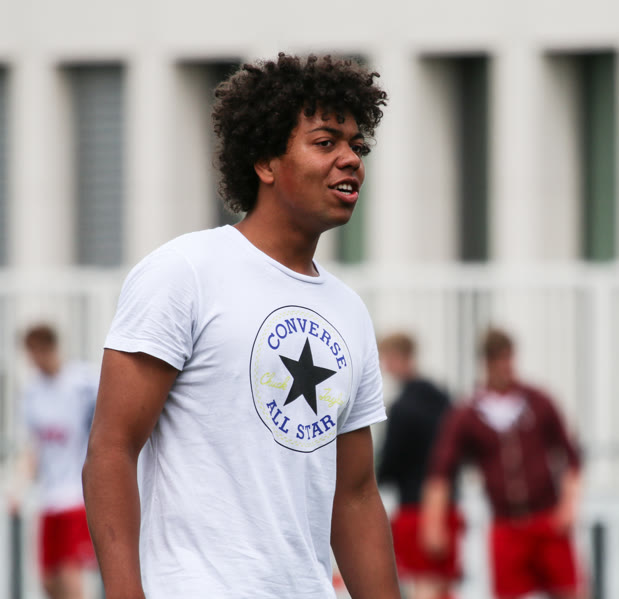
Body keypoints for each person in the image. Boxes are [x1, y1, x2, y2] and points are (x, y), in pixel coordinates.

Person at [82, 54, 401, 599]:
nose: (350, 159)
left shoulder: (348, 310)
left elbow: (354, 495)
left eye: (357, 146)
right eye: (326, 142)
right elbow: (112, 448)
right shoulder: (184, 272)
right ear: (265, 163)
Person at [422, 328, 584, 599]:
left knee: (569, 591)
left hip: (546, 519)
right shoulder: (469, 414)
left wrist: (568, 507)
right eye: (497, 359)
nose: (504, 366)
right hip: (506, 524)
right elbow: (441, 471)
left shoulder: (538, 402)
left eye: (507, 358)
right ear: (485, 362)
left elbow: (571, 457)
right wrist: (434, 523)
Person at [376, 332, 461, 599]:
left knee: (422, 585)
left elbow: (390, 462)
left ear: (396, 357)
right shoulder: (443, 398)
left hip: (414, 509)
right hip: (447, 505)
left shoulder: (402, 407)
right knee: (444, 586)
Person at [16, 324, 97, 599]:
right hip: (49, 497)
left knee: (70, 572)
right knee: (48, 580)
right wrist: (19, 488)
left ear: (50, 349)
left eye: (37, 353)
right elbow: (34, 446)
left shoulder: (83, 383)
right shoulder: (32, 393)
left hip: (76, 495)